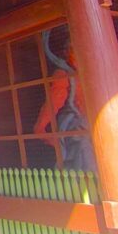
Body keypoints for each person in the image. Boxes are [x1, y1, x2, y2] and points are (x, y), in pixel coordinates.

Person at [35, 30, 94, 171]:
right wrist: (42, 125)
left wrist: (40, 127)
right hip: (85, 128)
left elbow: (53, 102)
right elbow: (54, 101)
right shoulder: (72, 74)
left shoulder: (70, 73)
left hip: (83, 128)